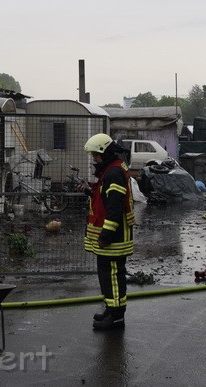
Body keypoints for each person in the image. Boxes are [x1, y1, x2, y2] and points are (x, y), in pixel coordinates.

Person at [83, 133, 135, 331]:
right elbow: (106, 198)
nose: (94, 159)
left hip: (114, 238)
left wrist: (105, 236)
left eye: (96, 155)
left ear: (104, 153)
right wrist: (89, 192)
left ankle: (116, 316)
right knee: (107, 276)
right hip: (112, 237)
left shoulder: (113, 173)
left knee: (112, 276)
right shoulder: (112, 169)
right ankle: (110, 309)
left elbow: (114, 209)